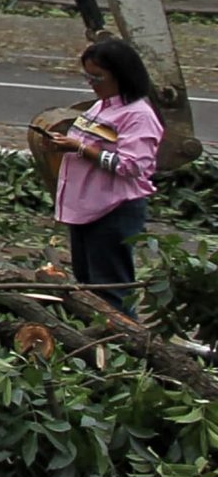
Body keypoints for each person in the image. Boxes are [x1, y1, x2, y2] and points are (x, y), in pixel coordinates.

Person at [50, 36, 164, 310]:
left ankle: (123, 340)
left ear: (120, 76)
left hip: (113, 209)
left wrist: (79, 148)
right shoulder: (100, 106)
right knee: (87, 281)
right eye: (88, 76)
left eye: (98, 77)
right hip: (86, 205)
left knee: (110, 289)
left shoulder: (138, 115)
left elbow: (132, 166)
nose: (92, 83)